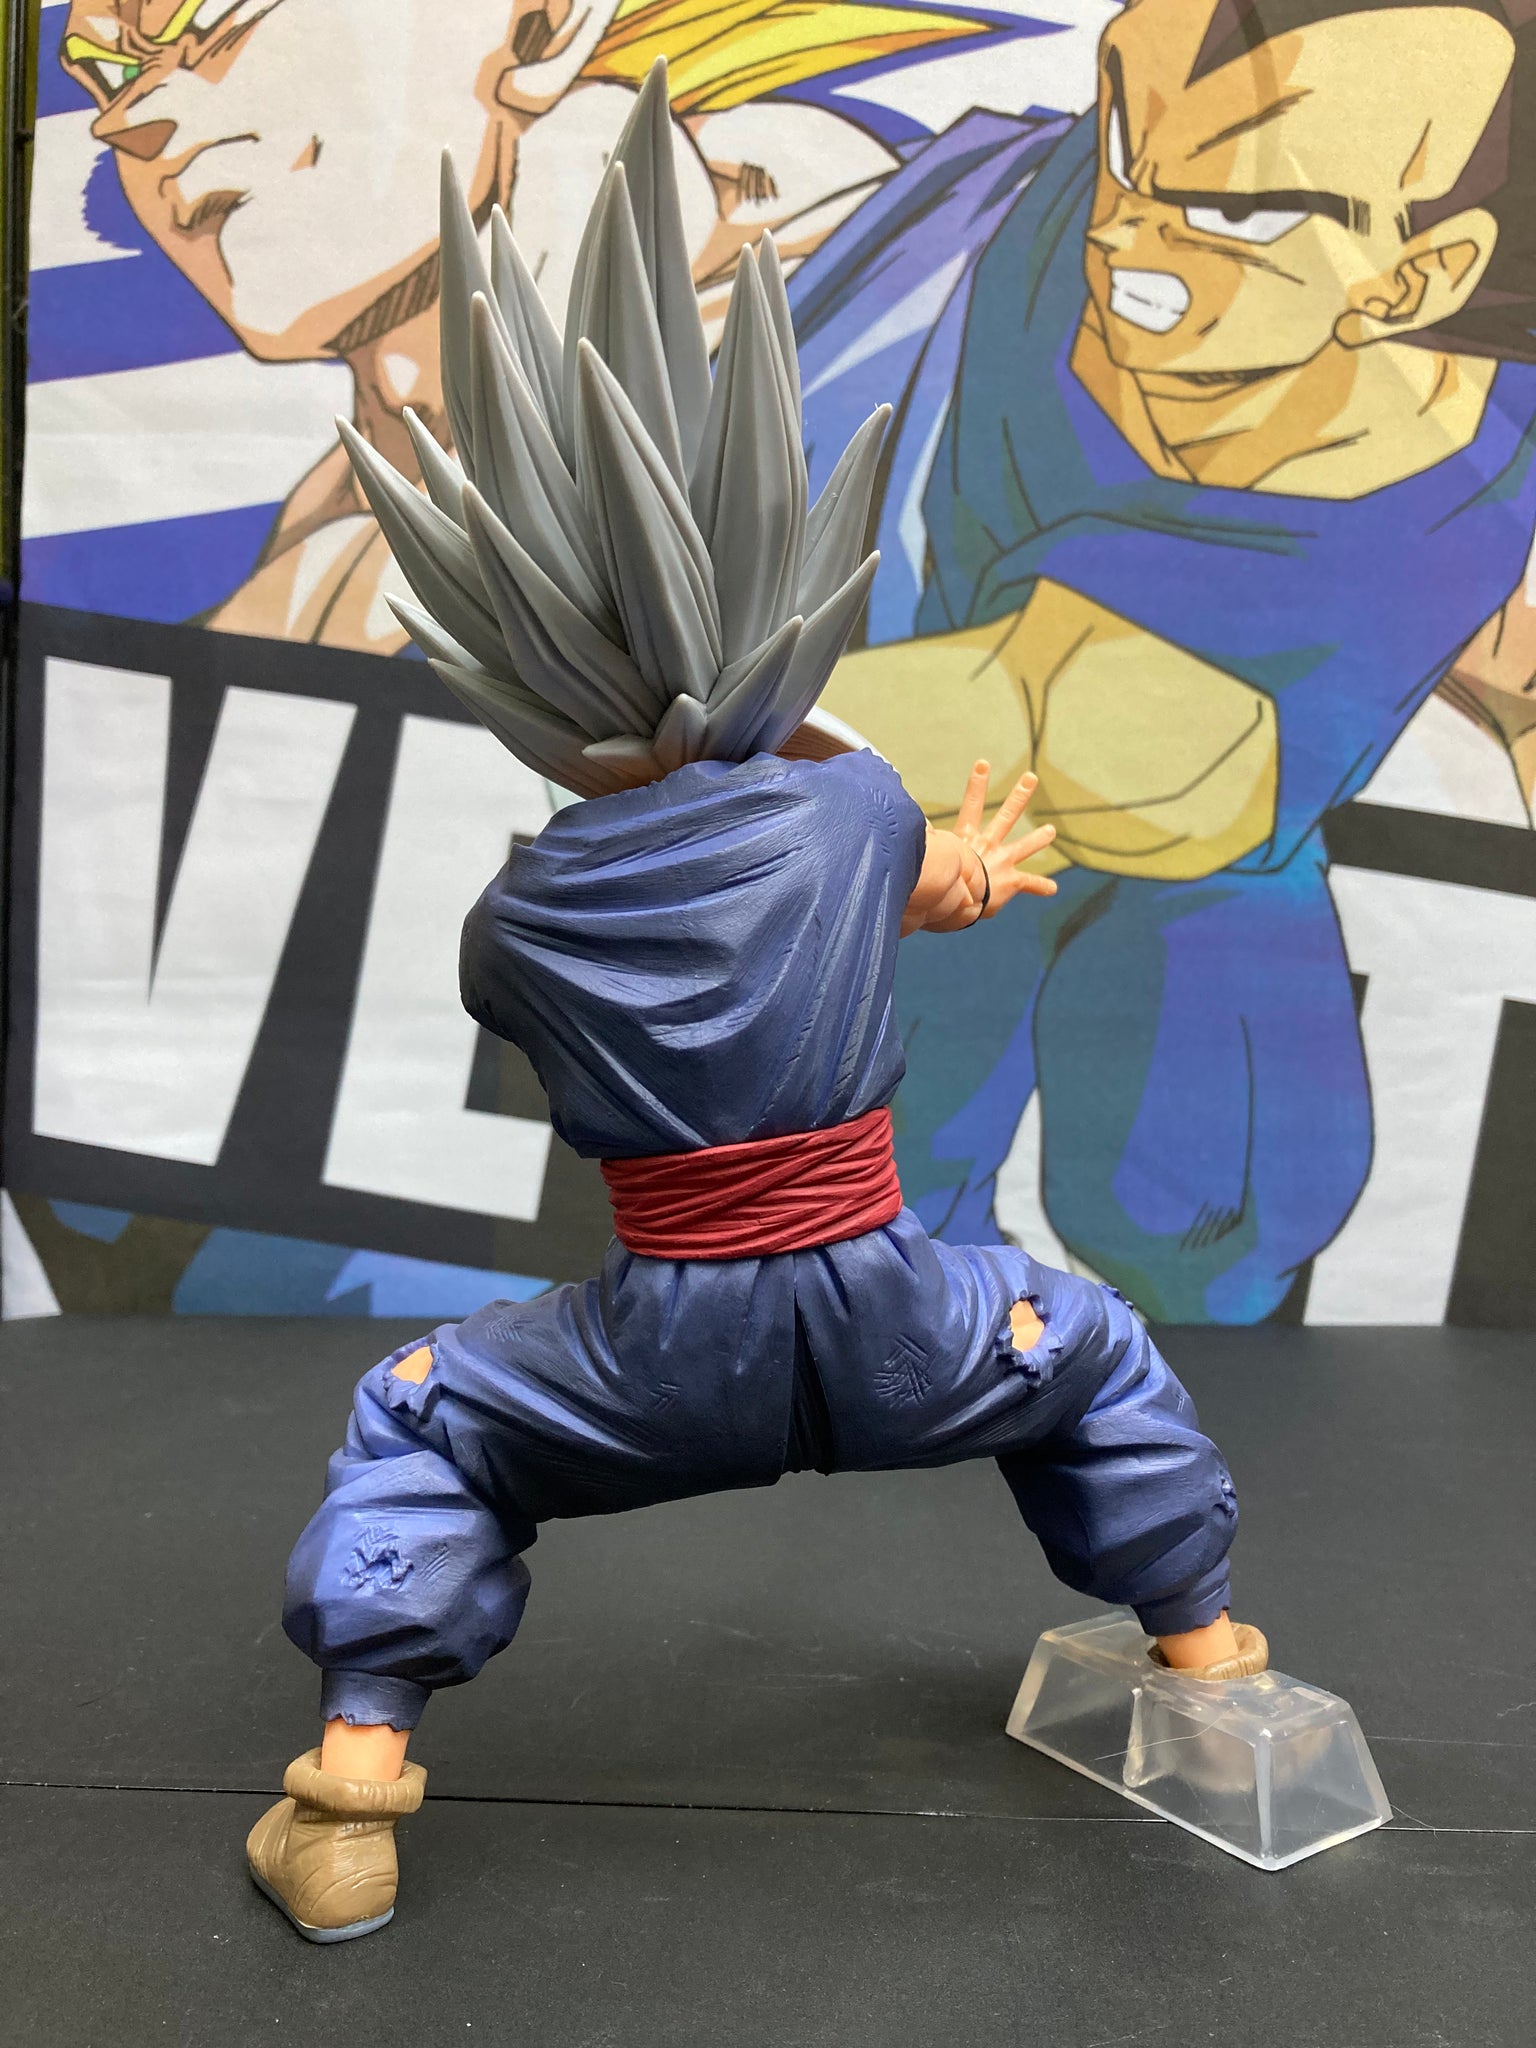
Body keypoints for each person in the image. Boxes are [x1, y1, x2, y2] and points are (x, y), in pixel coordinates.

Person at [244, 63, 1262, 1944]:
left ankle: (353, 1794)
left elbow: (566, 1000)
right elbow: (895, 859)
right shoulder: (847, 807)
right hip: (900, 1323)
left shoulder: (517, 913)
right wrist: (937, 852)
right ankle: (1205, 1661)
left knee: (423, 1419)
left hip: (655, 1357)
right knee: (1092, 1349)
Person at [793, 0, 1536, 1321]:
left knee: (1198, 1207)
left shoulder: (1410, 503)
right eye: (1124, 139)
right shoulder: (1031, 219)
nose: (1125, 235)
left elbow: (1043, 713)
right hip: (933, 822)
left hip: (1137, 834)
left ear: (1416, 277)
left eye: (1233, 209)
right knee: (887, 1170)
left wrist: (665, 726)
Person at [58, 0, 972, 652]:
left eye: (216, 19)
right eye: (110, 70)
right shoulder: (337, 531)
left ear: (548, 22)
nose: (125, 121)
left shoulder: (933, 314)